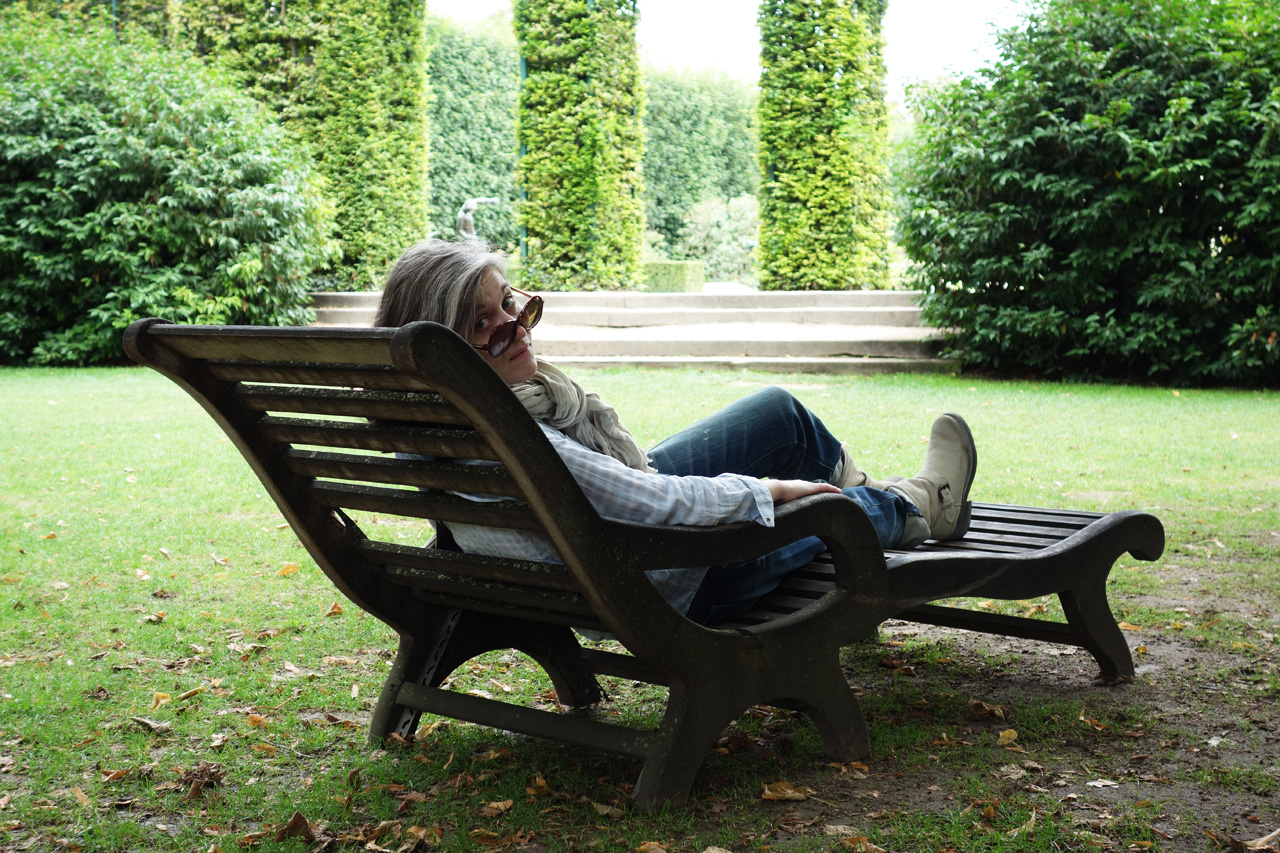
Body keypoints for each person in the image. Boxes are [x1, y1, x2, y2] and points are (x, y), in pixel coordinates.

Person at [375, 239, 978, 625]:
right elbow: (656, 501)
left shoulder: (441, 427)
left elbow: (614, 490)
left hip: (604, 554)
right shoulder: (510, 442)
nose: (517, 326)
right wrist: (767, 491)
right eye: (486, 323)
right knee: (825, 509)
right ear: (444, 350)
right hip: (679, 580)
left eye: (513, 304)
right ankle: (918, 503)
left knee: (777, 413)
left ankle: (869, 494)